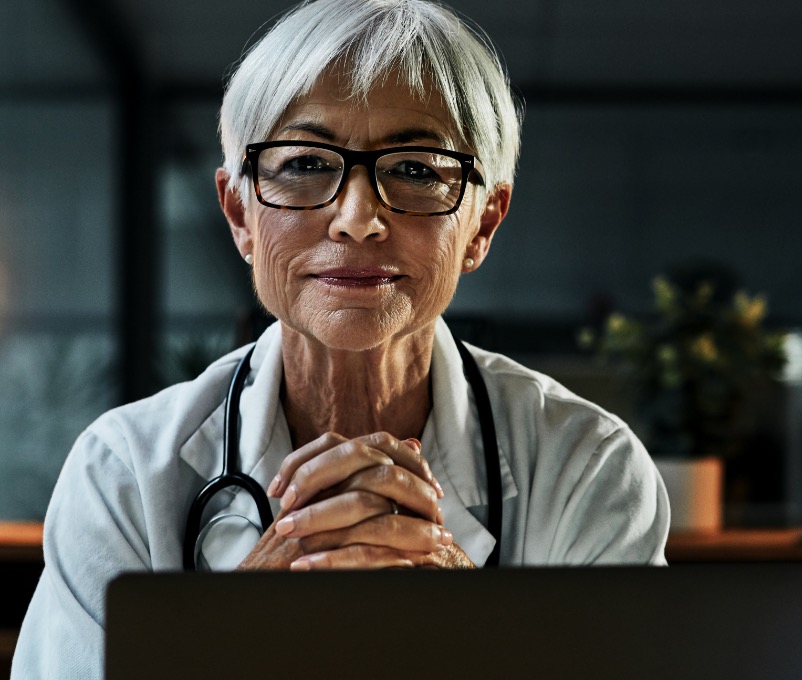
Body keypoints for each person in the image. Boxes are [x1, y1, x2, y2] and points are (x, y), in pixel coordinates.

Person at [12, 0, 669, 676]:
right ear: (240, 214)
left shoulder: (588, 468)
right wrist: (236, 637)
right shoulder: (121, 474)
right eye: (303, 164)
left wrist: (473, 622)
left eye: (415, 168)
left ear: (482, 225)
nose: (357, 219)